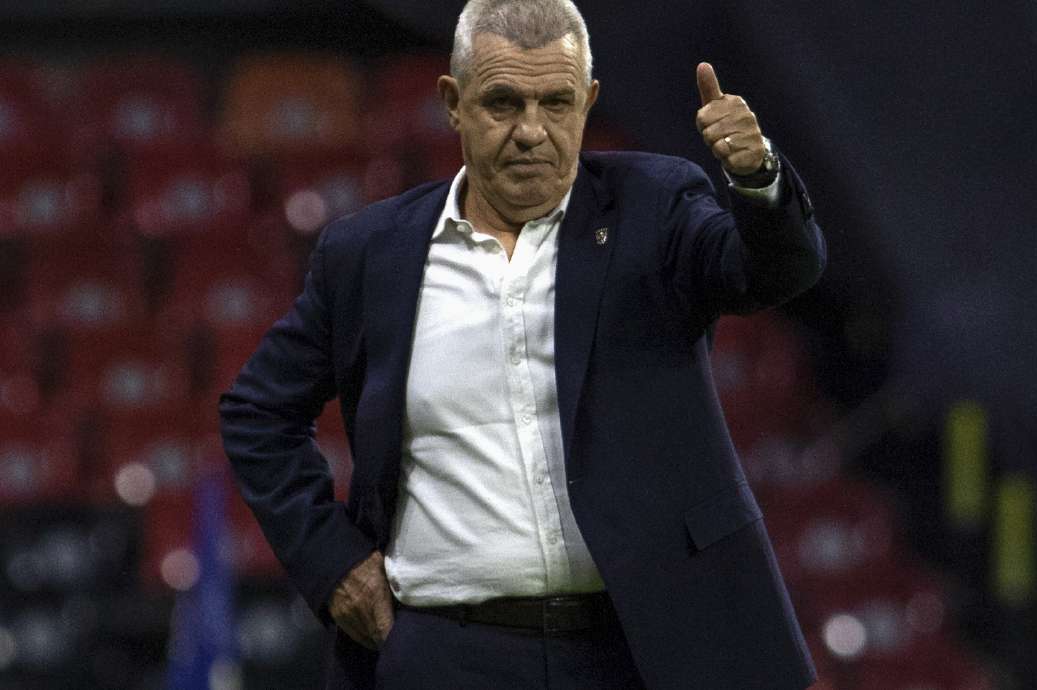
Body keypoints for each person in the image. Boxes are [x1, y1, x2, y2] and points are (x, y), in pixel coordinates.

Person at [220, 0, 825, 687]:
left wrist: (757, 178)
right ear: (453, 102)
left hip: (643, 651)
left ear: (588, 102)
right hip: (444, 655)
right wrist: (334, 562)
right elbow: (257, 412)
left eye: (556, 103)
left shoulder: (654, 209)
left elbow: (773, 272)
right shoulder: (368, 255)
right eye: (503, 102)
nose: (532, 132)